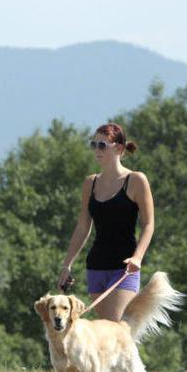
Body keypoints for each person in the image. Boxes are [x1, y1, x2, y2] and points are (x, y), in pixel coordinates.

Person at [58, 123, 155, 321]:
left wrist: (137, 257)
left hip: (123, 269)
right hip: (96, 267)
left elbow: (148, 224)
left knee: (115, 331)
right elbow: (83, 226)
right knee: (104, 336)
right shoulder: (90, 183)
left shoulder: (136, 180)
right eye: (94, 145)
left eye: (102, 145)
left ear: (118, 148)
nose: (96, 150)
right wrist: (67, 264)